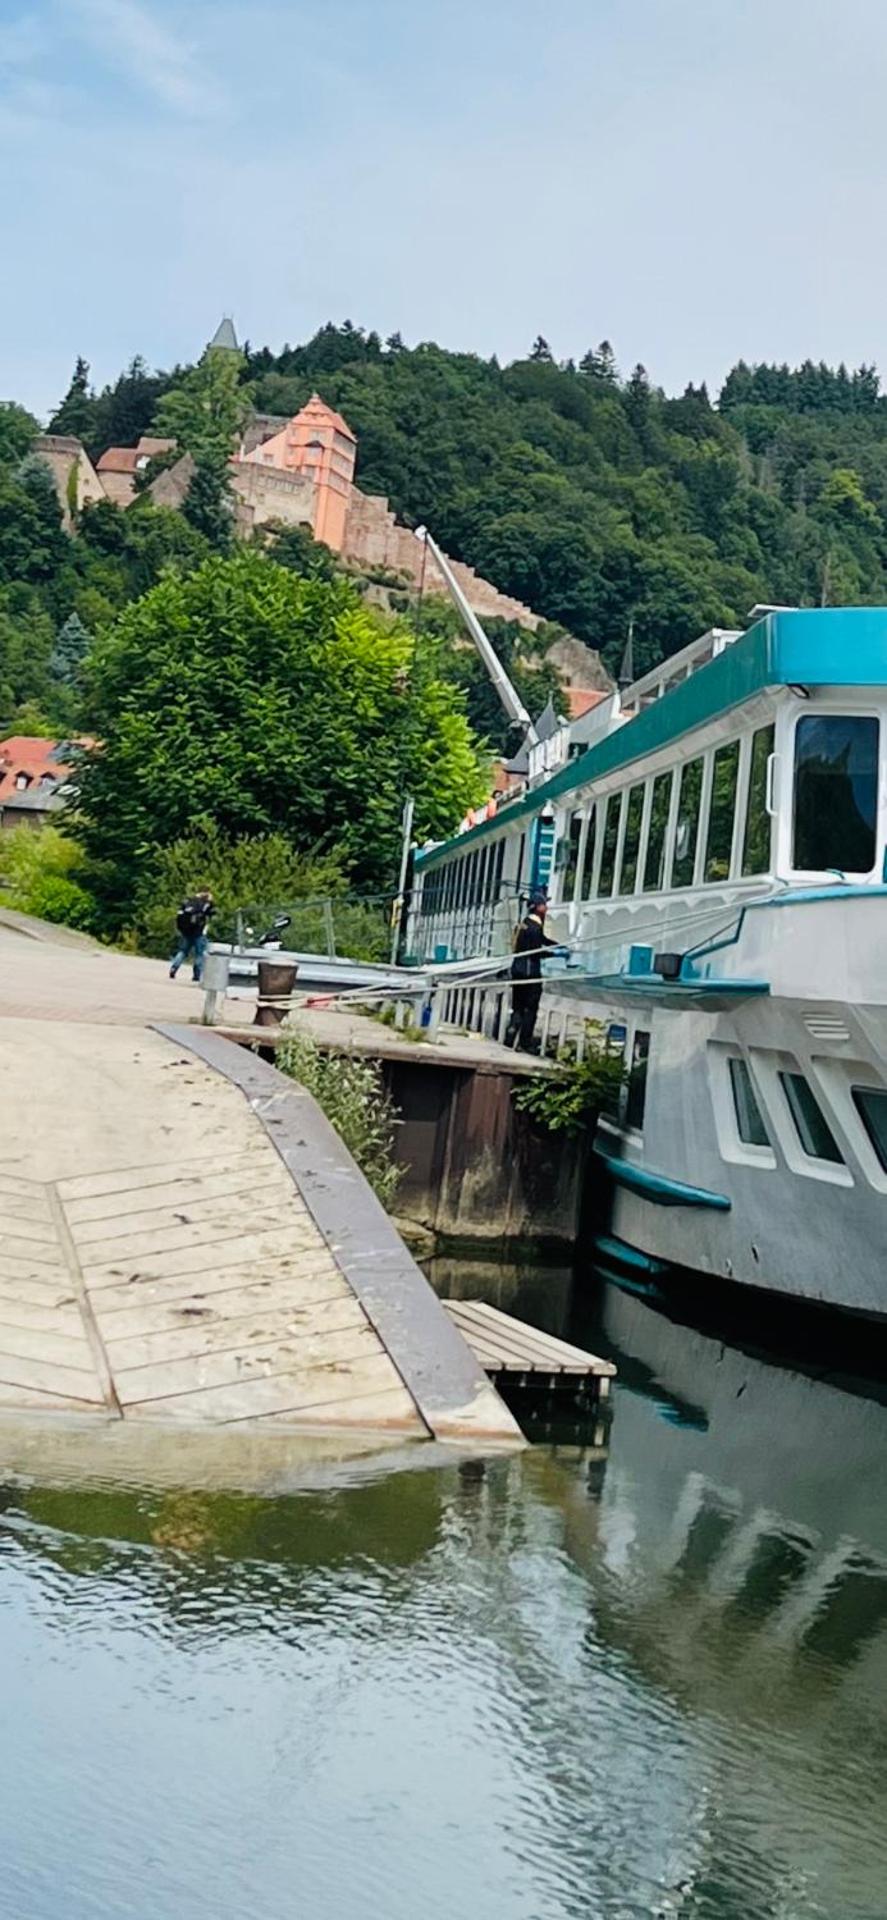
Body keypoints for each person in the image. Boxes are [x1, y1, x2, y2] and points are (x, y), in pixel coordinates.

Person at [505, 893, 562, 1051]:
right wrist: (554, 954)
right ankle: (525, 1043)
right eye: (544, 905)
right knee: (530, 1008)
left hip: (517, 970)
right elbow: (536, 951)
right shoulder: (535, 928)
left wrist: (556, 945)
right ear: (538, 908)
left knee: (517, 1006)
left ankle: (510, 1037)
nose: (547, 907)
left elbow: (541, 940)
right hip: (530, 972)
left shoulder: (525, 923)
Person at [169, 889, 214, 983]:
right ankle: (197, 975)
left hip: (186, 932)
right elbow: (212, 913)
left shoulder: (188, 901)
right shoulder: (205, 904)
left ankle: (174, 968)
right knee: (199, 954)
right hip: (199, 932)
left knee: (182, 951)